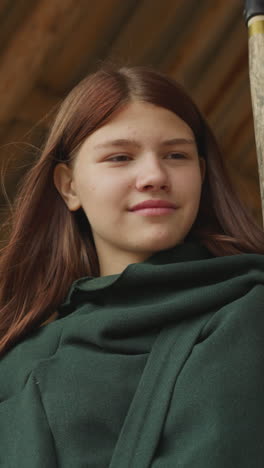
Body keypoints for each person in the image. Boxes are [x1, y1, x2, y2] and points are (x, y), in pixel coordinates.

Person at [0, 63, 264, 467]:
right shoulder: (18, 366)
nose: (154, 175)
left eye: (176, 155)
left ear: (201, 174)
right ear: (69, 186)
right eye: (120, 157)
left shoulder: (248, 313)